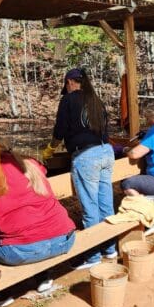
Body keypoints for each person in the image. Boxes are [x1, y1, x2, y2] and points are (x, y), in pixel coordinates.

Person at [0, 139, 76, 281]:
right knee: (35, 233)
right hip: (65, 239)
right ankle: (44, 278)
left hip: (22, 251)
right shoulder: (29, 163)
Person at [50, 67, 116, 268]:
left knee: (89, 207)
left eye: (66, 85)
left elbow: (60, 129)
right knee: (106, 203)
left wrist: (51, 147)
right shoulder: (95, 99)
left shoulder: (68, 100)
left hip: (86, 156)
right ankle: (110, 249)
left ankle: (93, 256)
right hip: (106, 152)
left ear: (70, 82)